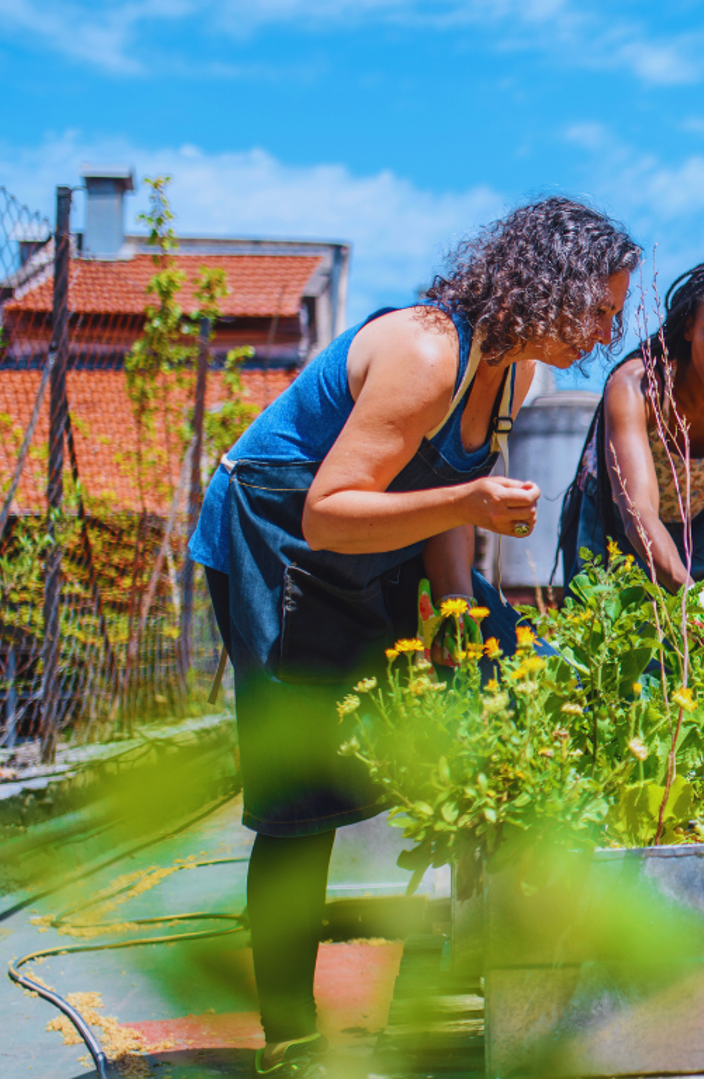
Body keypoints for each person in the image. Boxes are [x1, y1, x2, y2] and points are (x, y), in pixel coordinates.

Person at [186, 198, 640, 1077]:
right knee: (302, 797)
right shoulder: (429, 352)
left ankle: (494, 961)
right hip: (281, 545)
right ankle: (290, 1036)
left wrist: (456, 613)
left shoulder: (516, 375)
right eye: (599, 307)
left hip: (379, 548)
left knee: (520, 674)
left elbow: (442, 500)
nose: (607, 329)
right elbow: (329, 512)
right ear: (550, 286)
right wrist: (471, 508)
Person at [560, 259, 704, 588]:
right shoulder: (638, 386)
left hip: (701, 516)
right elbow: (638, 511)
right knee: (613, 633)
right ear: (689, 328)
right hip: (614, 522)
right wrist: (691, 601)